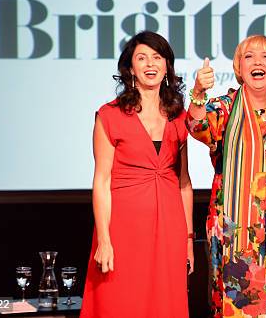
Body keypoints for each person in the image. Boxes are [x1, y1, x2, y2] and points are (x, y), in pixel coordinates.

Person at [186, 35, 266, 318]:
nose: (258, 62)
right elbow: (196, 126)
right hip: (235, 236)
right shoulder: (222, 108)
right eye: (249, 56)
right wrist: (198, 91)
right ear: (239, 66)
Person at [80, 31, 194, 318]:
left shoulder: (179, 116)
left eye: (157, 57)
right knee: (119, 302)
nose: (150, 64)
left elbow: (184, 183)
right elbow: (102, 181)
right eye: (141, 58)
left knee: (164, 305)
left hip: (170, 228)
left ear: (167, 66)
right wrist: (104, 240)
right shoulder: (110, 115)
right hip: (123, 229)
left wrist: (189, 241)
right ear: (130, 68)